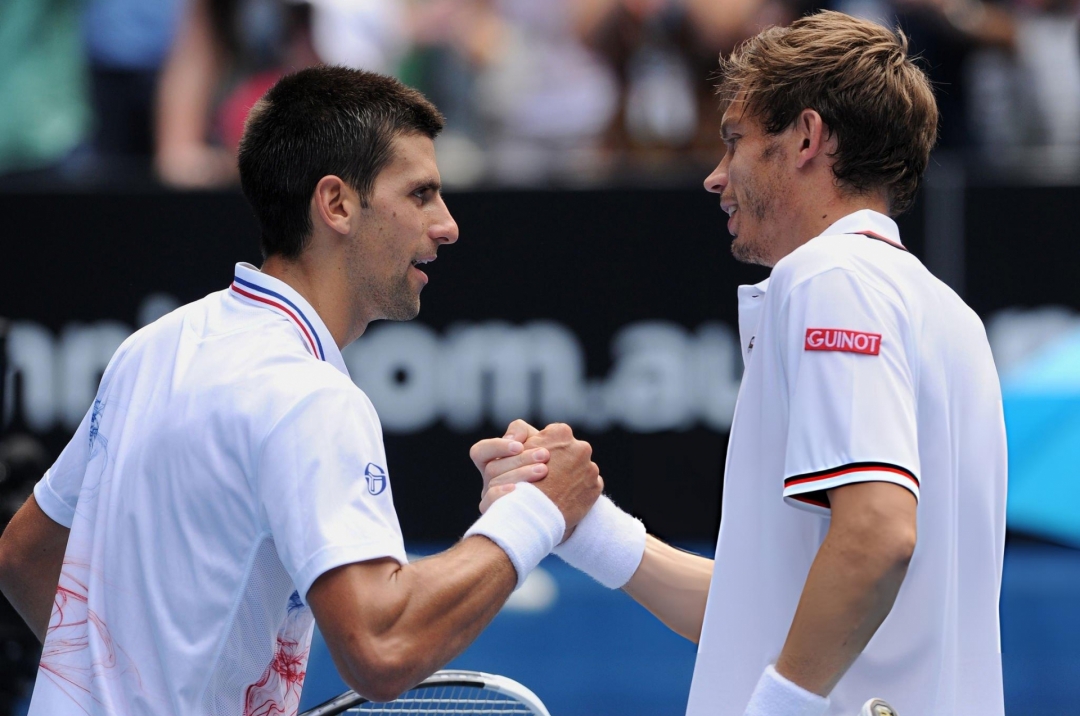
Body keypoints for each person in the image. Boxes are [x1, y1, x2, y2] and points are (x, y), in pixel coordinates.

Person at [0, 65, 603, 716]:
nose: (448, 224)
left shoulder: (152, 347)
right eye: (422, 194)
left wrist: (123, 691)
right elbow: (381, 645)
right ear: (337, 204)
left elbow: (24, 556)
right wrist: (537, 514)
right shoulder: (310, 397)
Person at [475, 11, 1006, 716]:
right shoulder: (947, 314)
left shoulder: (829, 277)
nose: (715, 176)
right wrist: (588, 525)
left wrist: (776, 710)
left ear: (808, 139)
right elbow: (762, 622)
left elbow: (877, 534)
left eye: (735, 142)